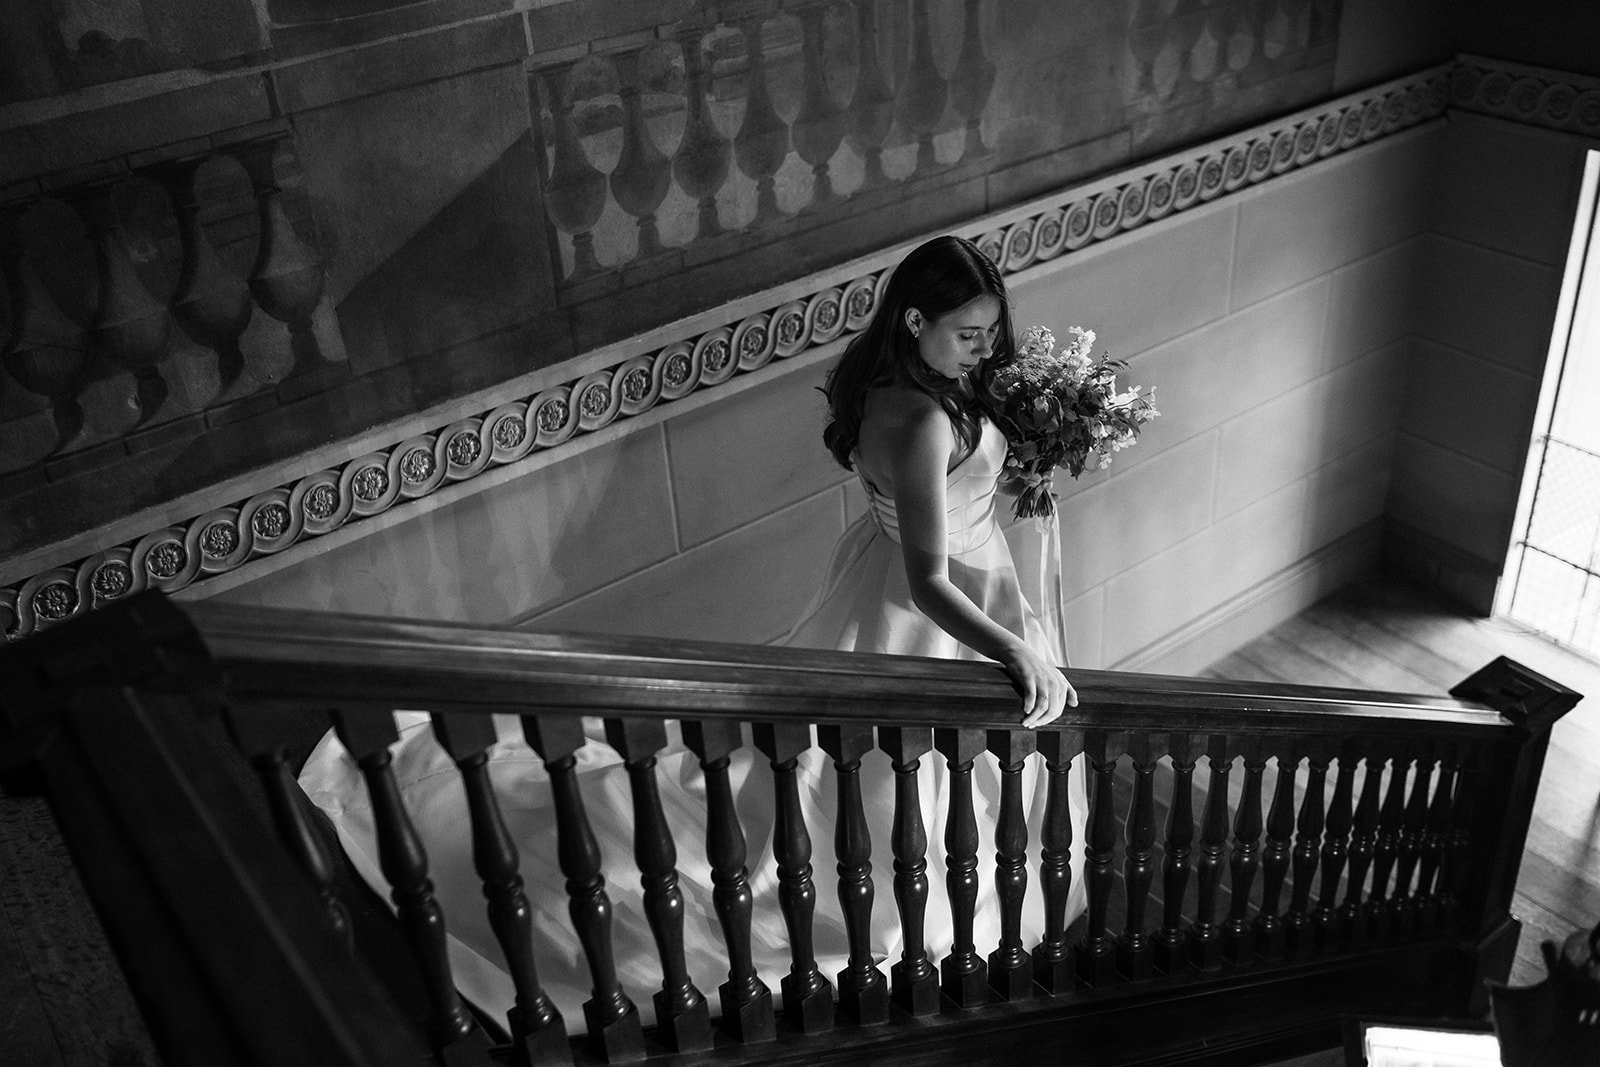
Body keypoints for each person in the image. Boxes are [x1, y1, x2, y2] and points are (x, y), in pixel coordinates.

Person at [782, 234, 1077, 724]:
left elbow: (950, 485)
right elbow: (929, 584)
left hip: (887, 565)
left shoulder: (901, 375)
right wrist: (1015, 651)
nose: (985, 349)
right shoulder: (925, 423)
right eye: (968, 334)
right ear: (916, 320)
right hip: (946, 599)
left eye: (991, 330)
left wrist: (1021, 466)